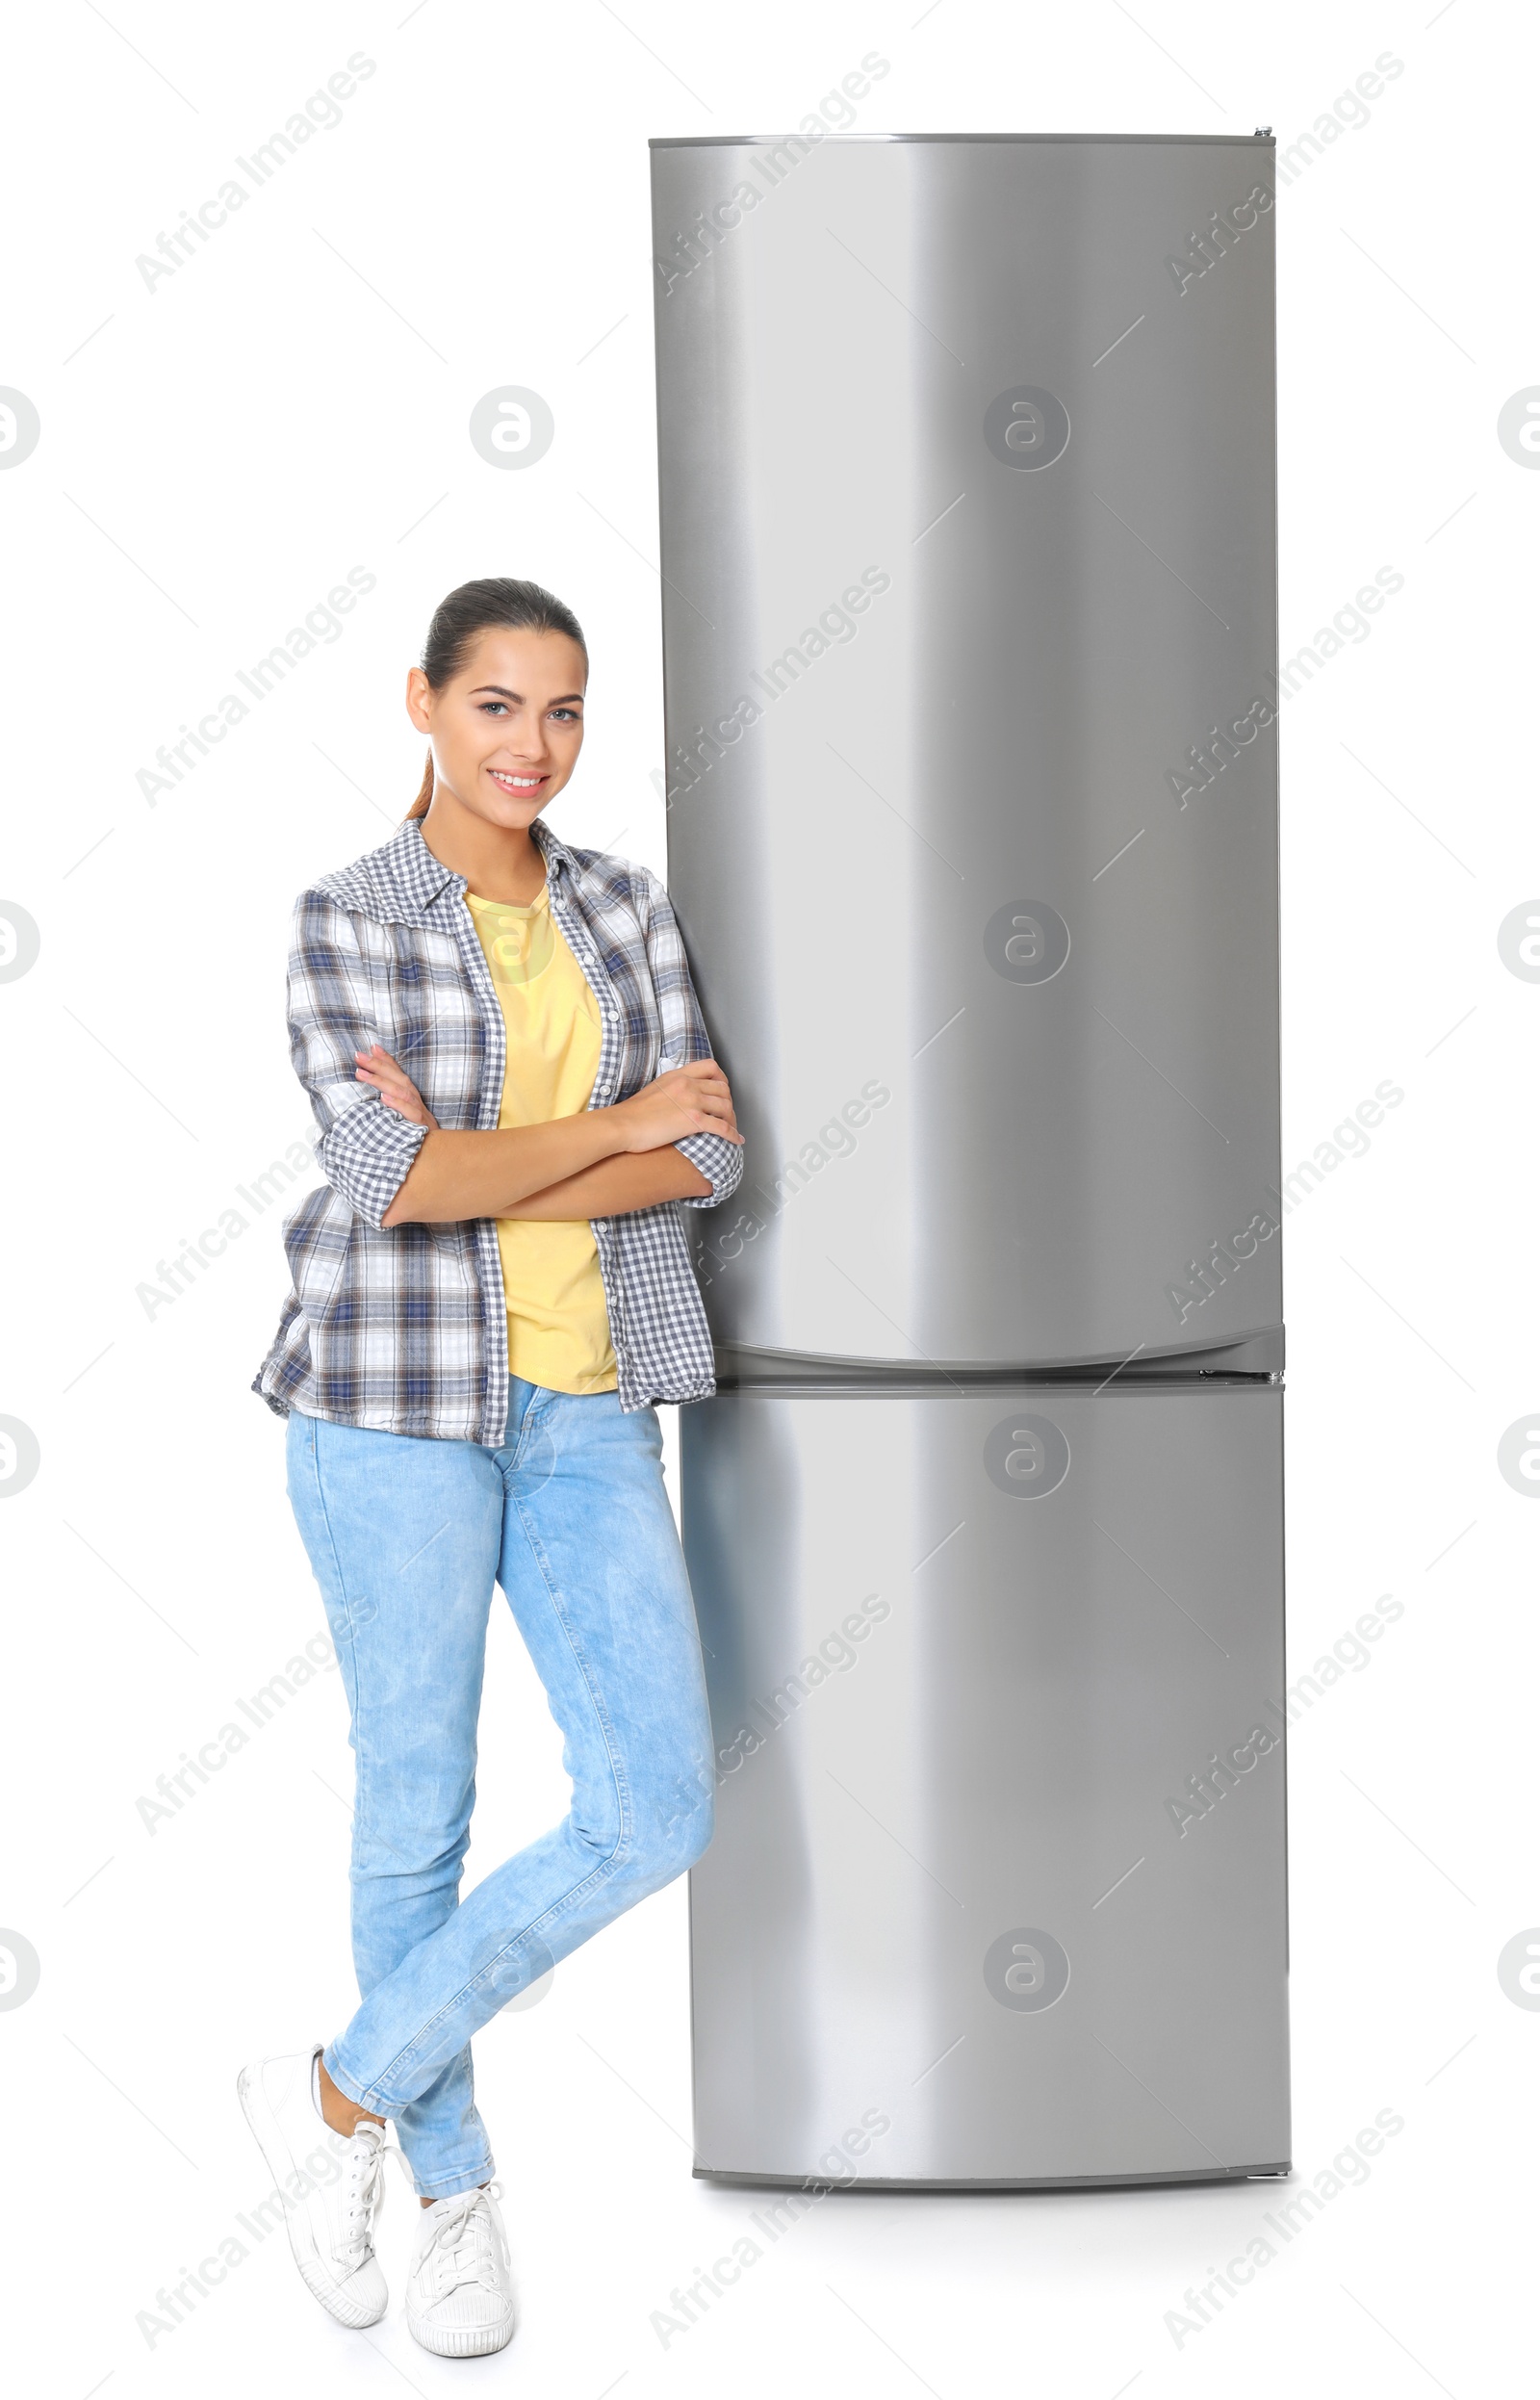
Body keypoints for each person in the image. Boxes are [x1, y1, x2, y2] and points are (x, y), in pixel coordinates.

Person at [238, 577, 744, 2359]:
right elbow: (396, 1181)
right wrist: (608, 1122)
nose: (533, 746)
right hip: (392, 1408)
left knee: (657, 1803)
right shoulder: (346, 914)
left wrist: (498, 1153)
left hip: (593, 1405)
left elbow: (711, 1161)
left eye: (565, 712)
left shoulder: (621, 906)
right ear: (423, 706)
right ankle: (452, 2196)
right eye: (497, 707)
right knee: (418, 1815)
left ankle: (334, 2092)